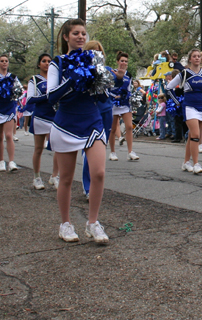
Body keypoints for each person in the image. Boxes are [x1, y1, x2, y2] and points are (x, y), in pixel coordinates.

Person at [47, 19, 109, 244]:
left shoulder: (94, 60)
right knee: (65, 178)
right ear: (66, 37)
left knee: (99, 173)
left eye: (83, 33)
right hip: (66, 124)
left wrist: (102, 83)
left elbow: (101, 96)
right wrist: (72, 81)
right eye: (76, 33)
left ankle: (93, 223)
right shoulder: (58, 63)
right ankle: (65, 224)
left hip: (92, 121)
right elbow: (51, 97)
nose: (81, 37)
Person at [166, 49, 202, 174]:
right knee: (196, 135)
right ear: (190, 59)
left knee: (192, 136)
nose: (197, 58)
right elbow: (169, 87)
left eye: (199, 56)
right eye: (194, 56)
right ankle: (196, 164)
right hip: (189, 107)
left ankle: (186, 162)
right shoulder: (184, 73)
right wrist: (177, 102)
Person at [83, 40, 114, 199]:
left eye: (99, 51)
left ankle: (96, 184)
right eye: (93, 51)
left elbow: (115, 86)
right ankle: (88, 187)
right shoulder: (82, 70)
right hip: (90, 113)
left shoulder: (107, 70)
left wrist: (120, 77)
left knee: (101, 148)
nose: (96, 53)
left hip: (106, 111)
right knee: (89, 149)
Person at [26, 53, 58, 190]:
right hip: (40, 117)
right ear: (39, 64)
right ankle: (37, 177)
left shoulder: (56, 78)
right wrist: (47, 96)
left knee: (57, 148)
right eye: (44, 61)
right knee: (38, 149)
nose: (46, 63)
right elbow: (30, 99)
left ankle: (55, 175)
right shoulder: (34, 80)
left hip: (55, 117)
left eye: (49, 61)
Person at [108, 51, 138, 162]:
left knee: (129, 126)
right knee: (113, 128)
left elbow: (129, 89)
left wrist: (129, 97)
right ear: (117, 62)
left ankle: (130, 152)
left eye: (126, 61)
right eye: (122, 61)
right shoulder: (112, 73)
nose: (124, 63)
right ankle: (112, 152)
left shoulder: (128, 75)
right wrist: (114, 96)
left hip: (125, 103)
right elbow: (108, 88)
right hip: (114, 103)